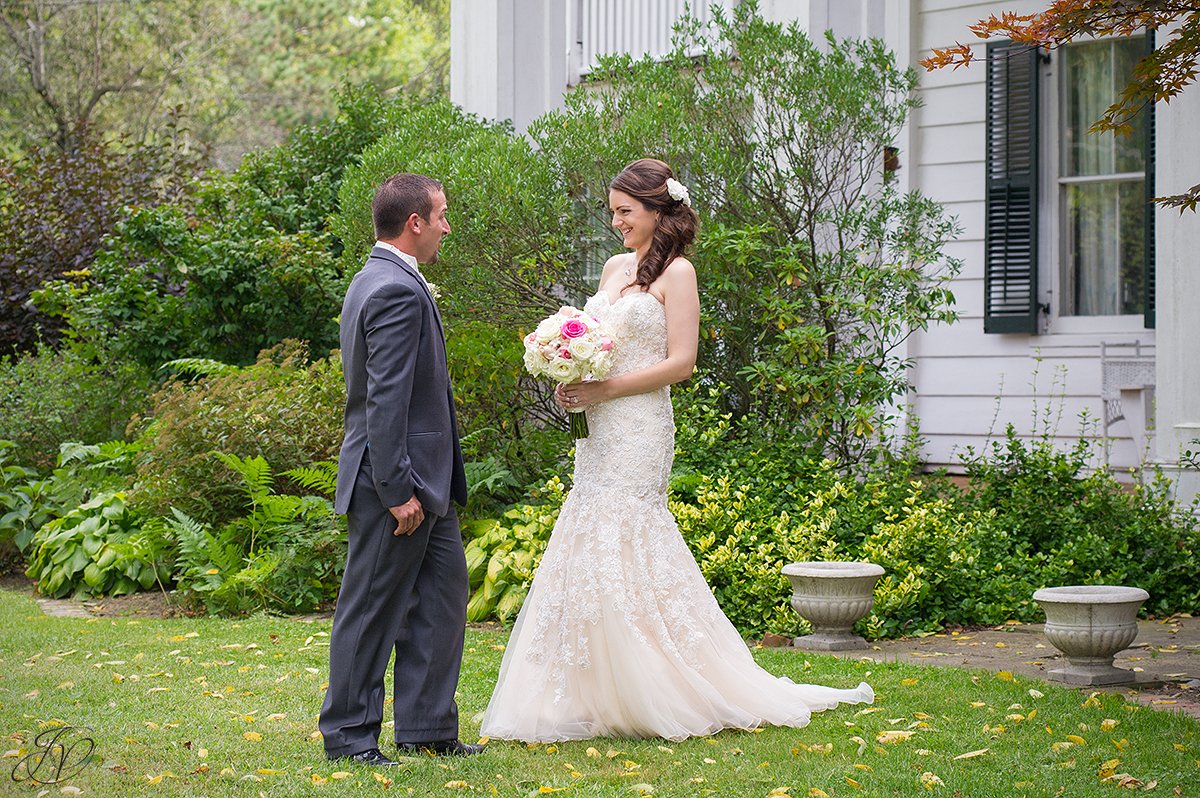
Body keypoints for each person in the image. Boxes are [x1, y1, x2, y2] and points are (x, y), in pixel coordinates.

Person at [481, 159, 873, 742]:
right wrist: (569, 368)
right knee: (590, 533)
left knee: (629, 532)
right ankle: (596, 687)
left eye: (625, 212)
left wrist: (605, 386)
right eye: (612, 211)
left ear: (658, 211)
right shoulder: (616, 267)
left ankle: (661, 685)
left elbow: (682, 363)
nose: (616, 222)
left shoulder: (679, 273)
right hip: (598, 427)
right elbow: (597, 338)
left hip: (638, 426)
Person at [320, 173, 483, 764]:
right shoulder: (392, 288)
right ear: (414, 223)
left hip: (426, 481)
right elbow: (383, 399)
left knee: (442, 596)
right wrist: (395, 489)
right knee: (371, 607)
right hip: (395, 481)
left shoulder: (383, 278)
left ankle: (427, 726)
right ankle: (348, 734)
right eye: (440, 215)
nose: (445, 226)